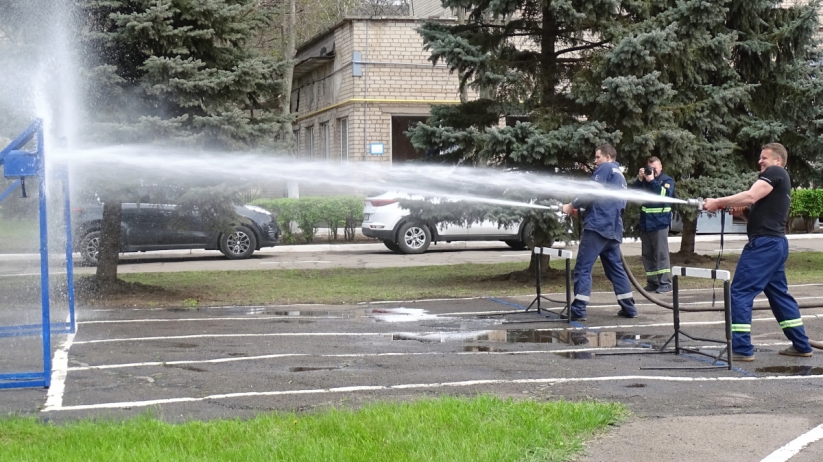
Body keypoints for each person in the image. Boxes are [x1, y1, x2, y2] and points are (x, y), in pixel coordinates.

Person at [703, 143, 812, 361]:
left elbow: (751, 196)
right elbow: (758, 213)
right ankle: (801, 345)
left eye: (765, 158)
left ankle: (742, 349)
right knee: (779, 296)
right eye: (760, 158)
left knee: (740, 292)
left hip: (764, 246)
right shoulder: (778, 182)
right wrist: (741, 212)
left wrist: (717, 202)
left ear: (778, 160)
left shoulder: (776, 172)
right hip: (775, 245)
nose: (760, 161)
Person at [561, 144, 637, 321]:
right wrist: (580, 210)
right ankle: (629, 308)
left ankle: (578, 310)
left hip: (597, 228)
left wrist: (572, 205)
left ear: (608, 157)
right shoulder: (620, 176)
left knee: (582, 268)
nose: (595, 162)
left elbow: (591, 192)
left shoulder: (606, 168)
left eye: (598, 157)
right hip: (612, 229)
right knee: (615, 270)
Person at [633, 156, 675, 293]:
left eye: (655, 168)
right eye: (650, 168)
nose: (652, 171)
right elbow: (635, 194)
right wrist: (640, 180)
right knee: (647, 255)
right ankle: (652, 282)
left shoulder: (667, 181)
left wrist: (651, 181)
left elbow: (664, 195)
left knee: (661, 254)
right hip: (646, 223)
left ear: (661, 167)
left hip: (660, 223)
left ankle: (665, 283)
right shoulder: (645, 180)